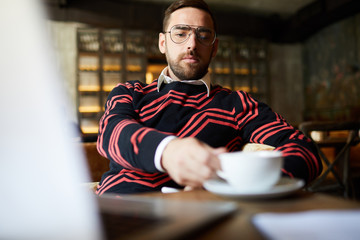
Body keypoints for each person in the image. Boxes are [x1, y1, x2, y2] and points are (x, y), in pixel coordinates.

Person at [95, 0, 322, 195]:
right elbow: (111, 134)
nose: (192, 44)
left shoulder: (237, 104)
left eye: (203, 35)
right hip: (119, 208)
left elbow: (304, 151)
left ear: (214, 48)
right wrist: (167, 151)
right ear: (163, 43)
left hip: (200, 218)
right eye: (180, 34)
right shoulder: (130, 92)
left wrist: (232, 184)